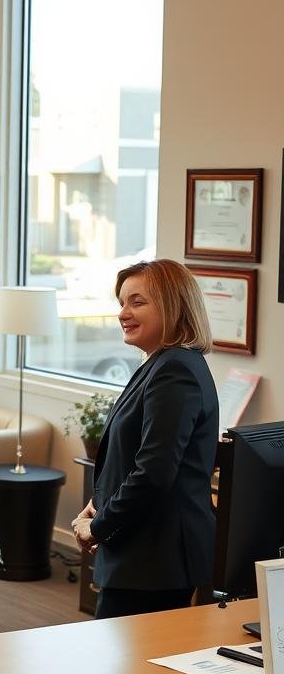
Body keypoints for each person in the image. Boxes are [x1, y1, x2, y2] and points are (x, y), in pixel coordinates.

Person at [72, 258, 218, 619]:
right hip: (142, 554)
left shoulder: (175, 370)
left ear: (173, 307)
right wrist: (99, 504)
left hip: (154, 562)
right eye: (121, 302)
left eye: (137, 302)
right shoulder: (159, 364)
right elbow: (136, 455)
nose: (123, 313)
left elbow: (154, 472)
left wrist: (99, 527)